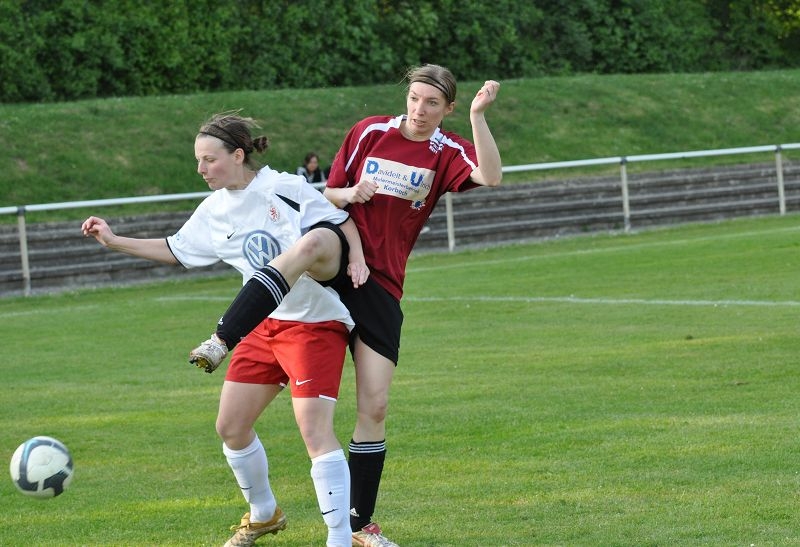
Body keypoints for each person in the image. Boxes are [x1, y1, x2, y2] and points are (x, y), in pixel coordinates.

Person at [190, 64, 502, 547]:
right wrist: (351, 193)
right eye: (415, 98)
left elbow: (492, 176)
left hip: (381, 285)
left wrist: (481, 117)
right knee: (307, 251)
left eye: (433, 104)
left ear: (449, 109)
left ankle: (359, 528)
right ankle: (223, 337)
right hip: (336, 263)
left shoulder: (447, 151)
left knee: (374, 406)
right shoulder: (369, 131)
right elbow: (329, 194)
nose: (420, 110)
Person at [81, 111, 369, 547]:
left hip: (314, 323)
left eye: (209, 159)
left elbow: (338, 217)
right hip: (261, 326)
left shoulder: (283, 187)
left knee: (314, 431)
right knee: (231, 427)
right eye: (198, 160)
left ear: (238, 155)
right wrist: (115, 240)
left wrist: (357, 257)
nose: (201, 169)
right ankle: (264, 514)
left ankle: (339, 539)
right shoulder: (213, 210)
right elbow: (176, 249)